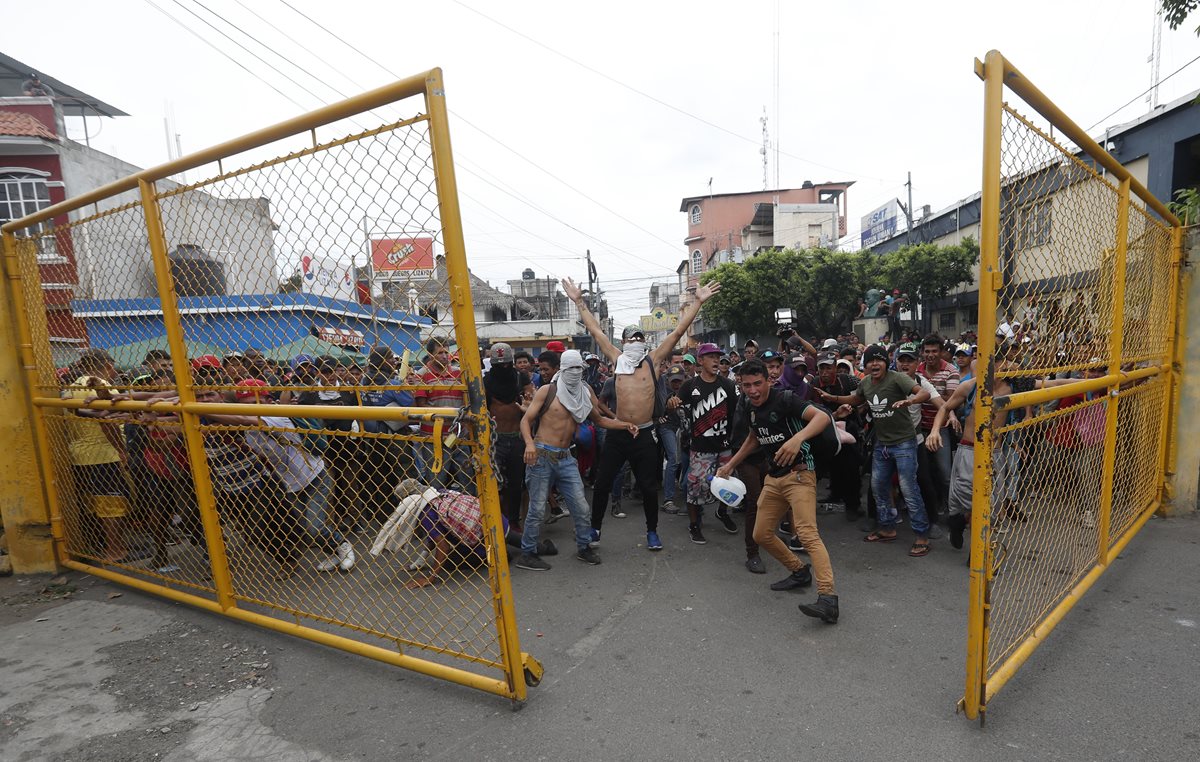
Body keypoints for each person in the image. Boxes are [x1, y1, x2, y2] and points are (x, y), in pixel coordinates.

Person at [563, 277, 721, 551]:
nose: (635, 341)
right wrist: (579, 301)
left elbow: (678, 330)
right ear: (623, 342)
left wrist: (698, 302)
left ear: (644, 342)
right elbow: (595, 330)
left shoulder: (654, 360)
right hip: (618, 433)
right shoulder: (616, 359)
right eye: (631, 338)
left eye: (640, 338)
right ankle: (595, 528)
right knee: (601, 485)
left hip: (645, 434)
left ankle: (652, 532)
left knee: (649, 488)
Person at [716, 360, 840, 624]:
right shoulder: (749, 405)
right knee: (760, 533)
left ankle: (828, 598)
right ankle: (798, 571)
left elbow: (822, 417)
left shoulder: (785, 399)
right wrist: (731, 464)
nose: (752, 390)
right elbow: (754, 437)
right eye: (746, 385)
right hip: (775, 478)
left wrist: (797, 439)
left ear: (768, 381)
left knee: (807, 535)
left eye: (757, 384)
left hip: (800, 474)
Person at [515, 350, 640, 569]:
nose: (574, 372)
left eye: (578, 368)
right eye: (570, 368)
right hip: (542, 455)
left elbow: (599, 419)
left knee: (581, 507)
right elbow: (526, 421)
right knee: (535, 509)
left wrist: (624, 425)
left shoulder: (584, 391)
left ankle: (584, 547)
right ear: (562, 369)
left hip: (565, 457)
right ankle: (528, 553)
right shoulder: (548, 391)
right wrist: (529, 444)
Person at [820, 344, 933, 557]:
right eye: (871, 360)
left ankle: (922, 536)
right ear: (866, 364)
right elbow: (856, 399)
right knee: (878, 485)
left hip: (904, 443)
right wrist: (833, 399)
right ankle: (888, 528)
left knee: (909, 488)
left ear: (886, 363)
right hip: (882, 444)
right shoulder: (865, 383)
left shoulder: (898, 378)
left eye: (879, 360)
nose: (874, 363)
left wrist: (910, 400)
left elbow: (924, 394)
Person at [234, 379, 356, 572]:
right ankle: (333, 552)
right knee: (305, 529)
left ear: (267, 401)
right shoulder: (249, 432)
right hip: (290, 483)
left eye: (254, 402)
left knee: (314, 526)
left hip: (315, 476)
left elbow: (241, 419)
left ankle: (343, 546)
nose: (250, 408)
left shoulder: (278, 416)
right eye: (244, 405)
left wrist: (199, 409)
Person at [63, 349, 133, 563]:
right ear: (109, 365)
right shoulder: (100, 385)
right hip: (103, 453)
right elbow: (107, 423)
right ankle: (115, 550)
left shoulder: (71, 387)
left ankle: (105, 546)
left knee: (95, 503)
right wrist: (121, 449)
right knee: (112, 503)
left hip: (79, 453)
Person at [675, 343, 738, 544]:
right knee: (695, 489)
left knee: (727, 485)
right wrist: (671, 403)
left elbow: (737, 415)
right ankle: (694, 524)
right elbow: (675, 406)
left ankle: (722, 512)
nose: (716, 360)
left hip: (724, 447)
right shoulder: (689, 386)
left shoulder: (728, 385)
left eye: (718, 356)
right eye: (711, 357)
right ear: (700, 361)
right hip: (700, 449)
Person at [484, 343, 534, 531]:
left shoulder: (520, 377)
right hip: (495, 438)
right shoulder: (487, 381)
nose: (504, 368)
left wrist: (528, 402)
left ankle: (513, 520)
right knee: (494, 483)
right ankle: (496, 518)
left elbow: (531, 399)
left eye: (507, 364)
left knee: (516, 483)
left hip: (517, 437)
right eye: (500, 365)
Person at [413, 338, 471, 487]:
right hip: (434, 437)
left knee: (468, 478)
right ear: (430, 354)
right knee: (436, 480)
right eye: (440, 353)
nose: (445, 356)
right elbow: (421, 405)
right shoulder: (422, 375)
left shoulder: (458, 373)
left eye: (446, 352)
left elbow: (466, 402)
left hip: (458, 435)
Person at [657, 364, 688, 515]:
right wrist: (659, 416)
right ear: (668, 379)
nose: (676, 383)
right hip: (668, 427)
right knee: (674, 459)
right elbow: (654, 408)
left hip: (685, 428)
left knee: (686, 459)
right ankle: (668, 500)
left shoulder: (689, 388)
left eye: (679, 381)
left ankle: (686, 490)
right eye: (673, 380)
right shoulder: (662, 390)